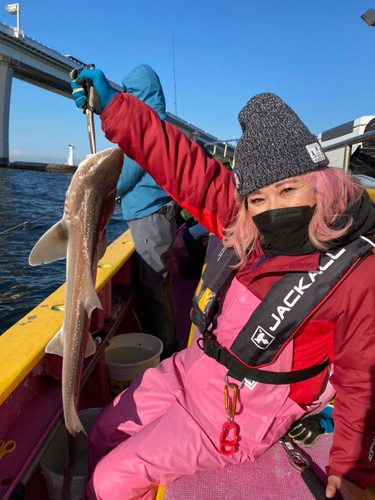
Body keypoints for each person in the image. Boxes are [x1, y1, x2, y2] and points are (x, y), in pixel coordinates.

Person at [71, 70, 375, 500]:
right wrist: (116, 107)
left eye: (288, 189)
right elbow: (186, 167)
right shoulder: (248, 227)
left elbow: (362, 381)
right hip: (193, 370)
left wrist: (352, 472)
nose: (272, 208)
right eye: (258, 198)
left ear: (319, 184)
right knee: (103, 429)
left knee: (110, 482)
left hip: (241, 413)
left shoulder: (357, 271)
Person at [114, 64, 178, 358]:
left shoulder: (144, 127)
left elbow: (123, 176)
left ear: (136, 95)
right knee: (159, 283)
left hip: (149, 217)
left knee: (153, 286)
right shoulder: (163, 124)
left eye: (128, 94)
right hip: (161, 214)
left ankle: (165, 351)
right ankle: (166, 344)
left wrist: (105, 192)